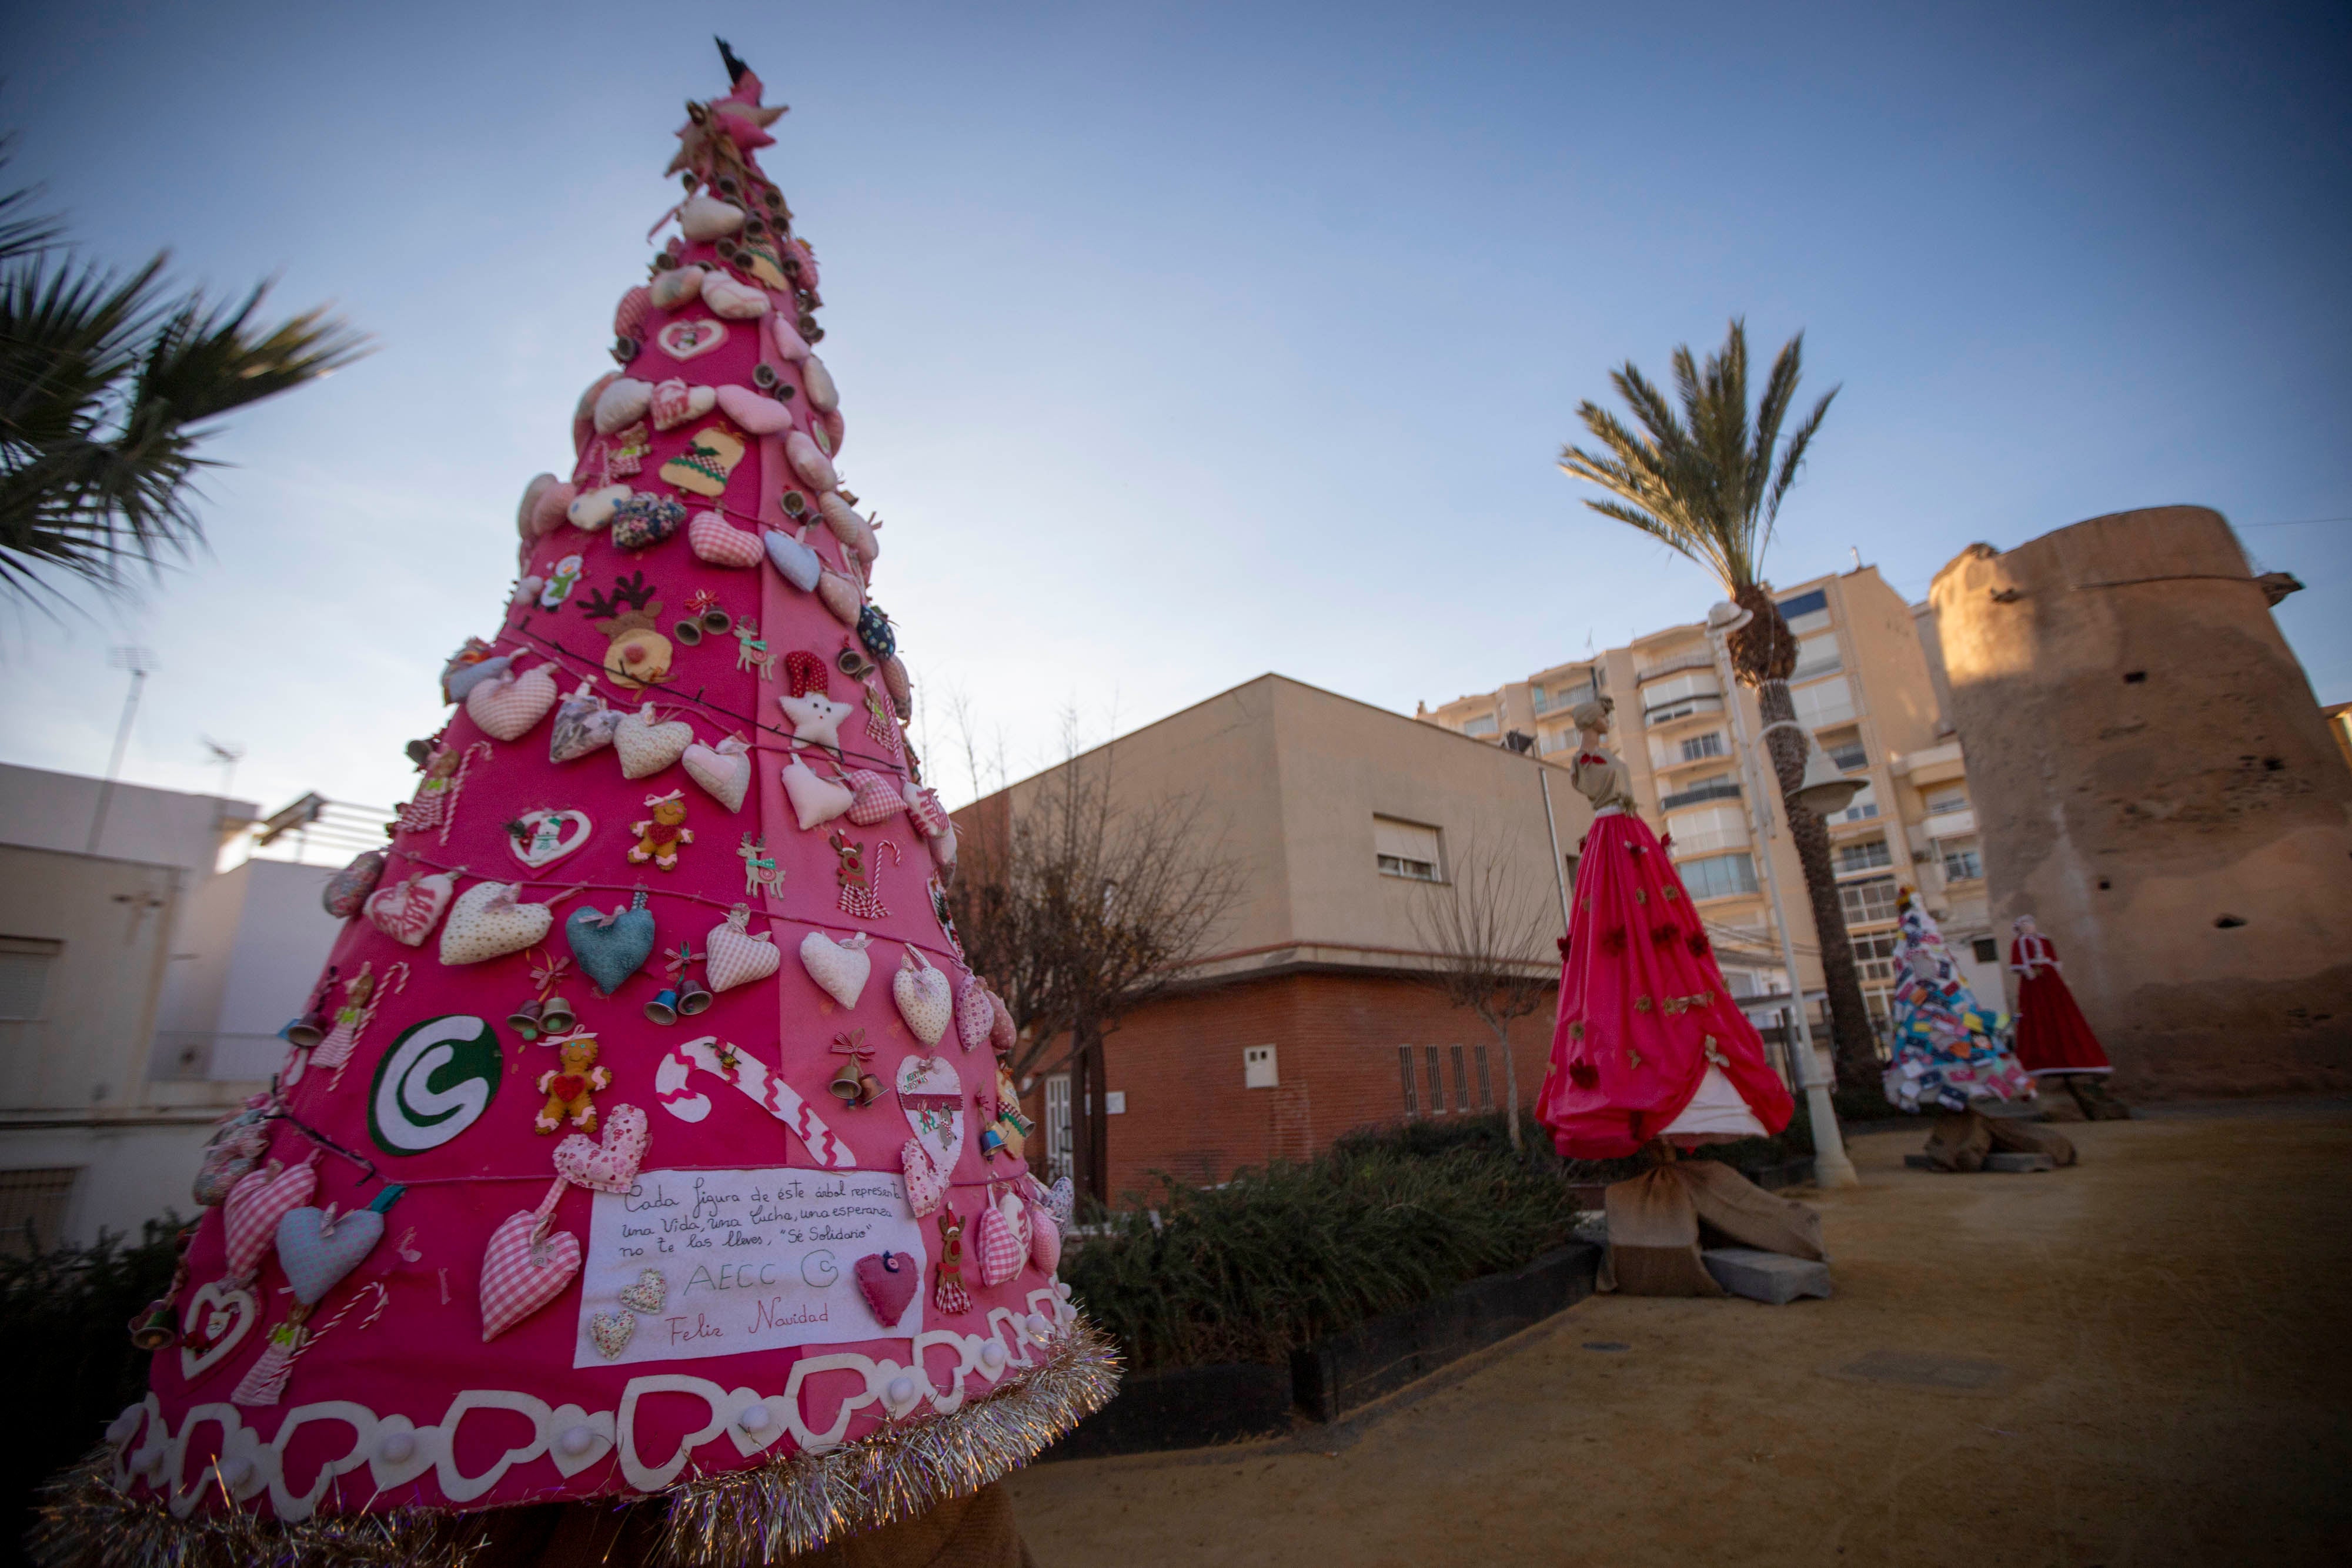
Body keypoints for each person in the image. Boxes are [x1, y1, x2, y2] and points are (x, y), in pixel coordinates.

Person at [1537, 698, 1822, 1296]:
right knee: (1622, 967)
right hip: (1617, 852)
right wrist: (1586, 734)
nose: (1603, 731)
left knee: (1652, 963)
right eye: (1597, 724)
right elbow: (1587, 774)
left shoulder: (1618, 805)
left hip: (1630, 853)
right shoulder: (1593, 768)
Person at [1883, 890, 2075, 1171]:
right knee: (1967, 1034)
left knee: (1966, 1034)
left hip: (1948, 1021)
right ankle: (1963, 1126)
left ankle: (1968, 1128)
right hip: (1949, 1018)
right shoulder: (1921, 957)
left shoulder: (1917, 957)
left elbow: (1924, 984)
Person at [2010, 914, 2128, 1119]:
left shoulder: (2044, 940)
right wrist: (2030, 971)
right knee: (2039, 1015)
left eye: (2031, 924)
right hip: (2035, 984)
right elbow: (2020, 963)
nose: (2030, 927)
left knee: (2061, 1013)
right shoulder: (2020, 943)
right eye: (2026, 925)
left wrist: (2051, 971)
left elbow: (2053, 959)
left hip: (2052, 982)